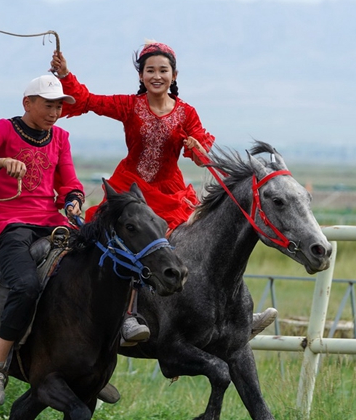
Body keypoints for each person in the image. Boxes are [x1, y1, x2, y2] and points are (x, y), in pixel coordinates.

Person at [49, 41, 277, 345]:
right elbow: (88, 100)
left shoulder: (186, 113)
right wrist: (66, 74)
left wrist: (197, 148)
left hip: (170, 193)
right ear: (141, 75)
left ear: (174, 75)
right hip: (131, 191)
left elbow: (201, 156)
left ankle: (235, 315)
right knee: (124, 247)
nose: (157, 75)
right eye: (150, 70)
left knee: (209, 244)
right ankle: (127, 316)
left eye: (163, 70)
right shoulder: (129, 106)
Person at [0, 75, 85, 405]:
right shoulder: (2, 130)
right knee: (25, 286)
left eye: (59, 107)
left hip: (51, 222)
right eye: (49, 105)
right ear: (28, 103)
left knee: (94, 268)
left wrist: (73, 201)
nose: (55, 113)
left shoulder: (61, 137)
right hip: (5, 223)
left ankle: (86, 363)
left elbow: (69, 182)